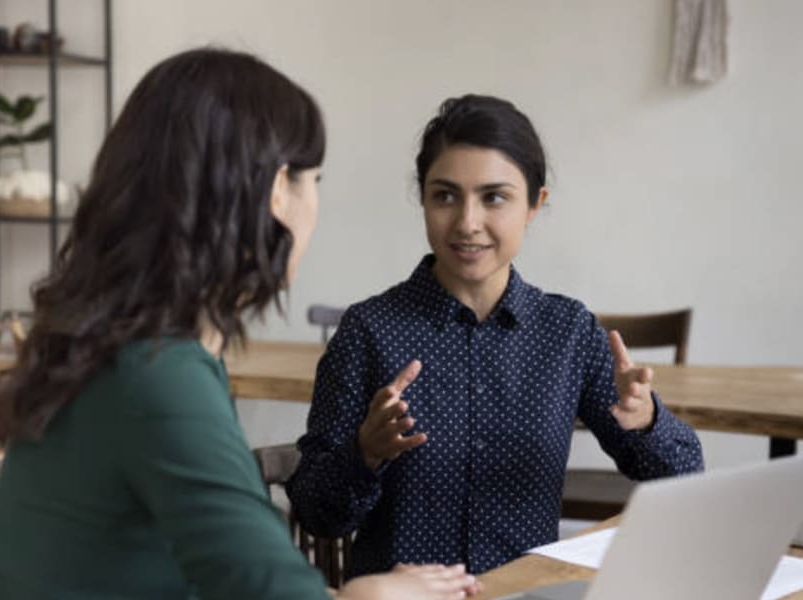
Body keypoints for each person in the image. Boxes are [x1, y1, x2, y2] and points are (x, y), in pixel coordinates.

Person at [0, 48, 480, 600]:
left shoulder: (118, 348)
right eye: (315, 179)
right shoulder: (158, 374)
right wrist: (378, 595)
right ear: (276, 192)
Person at [287, 94, 705, 577]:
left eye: (494, 197)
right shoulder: (367, 332)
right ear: (422, 198)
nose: (467, 223)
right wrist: (366, 452)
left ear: (534, 204)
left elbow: (683, 478)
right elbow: (318, 516)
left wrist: (647, 420)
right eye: (445, 195)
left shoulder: (568, 332)